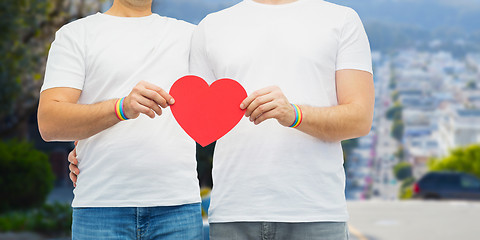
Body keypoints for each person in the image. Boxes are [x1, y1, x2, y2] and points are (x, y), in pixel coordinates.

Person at [190, 0, 374, 239]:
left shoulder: (342, 20)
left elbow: (360, 119)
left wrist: (294, 114)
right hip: (233, 213)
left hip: (316, 214)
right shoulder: (210, 27)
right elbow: (199, 119)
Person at [37, 0, 203, 239]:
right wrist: (120, 108)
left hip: (177, 207)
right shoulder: (76, 35)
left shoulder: (191, 37)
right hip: (100, 208)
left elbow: (227, 101)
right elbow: (49, 123)